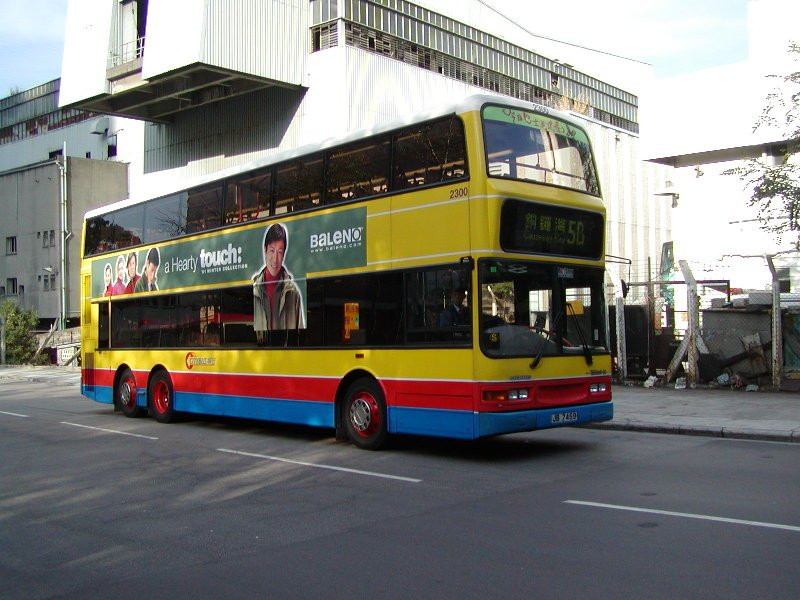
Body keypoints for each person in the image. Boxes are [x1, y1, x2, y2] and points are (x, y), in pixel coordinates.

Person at [253, 223, 305, 334]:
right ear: (265, 250)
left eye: (280, 252)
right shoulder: (254, 291)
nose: (275, 259)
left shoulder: (293, 294)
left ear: (284, 255)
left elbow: (300, 334)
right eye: (272, 250)